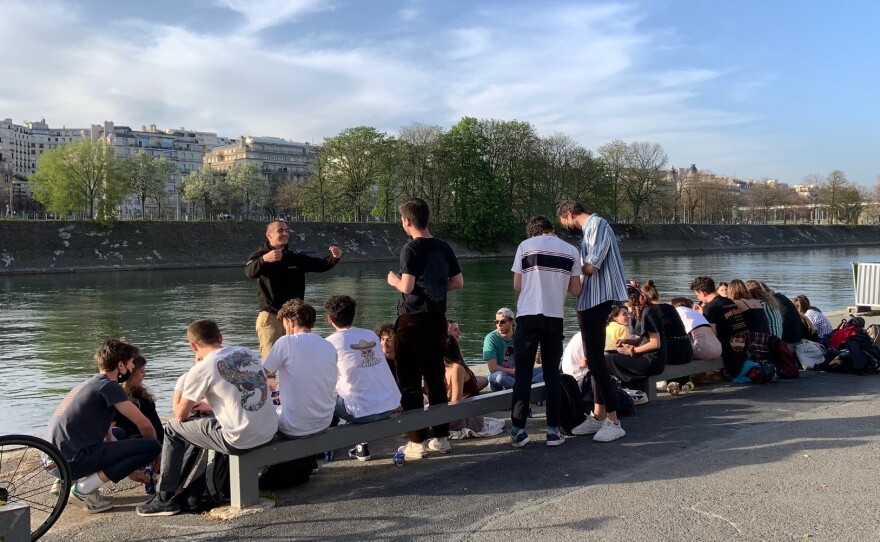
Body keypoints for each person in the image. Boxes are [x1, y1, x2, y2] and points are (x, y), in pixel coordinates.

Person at [136, 320, 278, 516]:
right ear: (221, 338)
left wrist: (184, 393)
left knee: (172, 428)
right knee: (204, 423)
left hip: (240, 439)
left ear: (193, 346)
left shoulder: (201, 369)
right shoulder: (246, 352)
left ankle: (165, 497)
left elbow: (180, 415)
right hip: (269, 430)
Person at [387, 198, 463, 459]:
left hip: (412, 321)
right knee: (435, 379)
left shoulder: (411, 249)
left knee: (409, 382)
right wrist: (437, 290)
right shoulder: (444, 247)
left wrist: (393, 280)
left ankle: (416, 441)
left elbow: (407, 287)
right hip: (437, 320)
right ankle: (441, 437)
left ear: (407, 221)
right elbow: (458, 282)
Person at [47, 340, 161, 513]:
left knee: (120, 433)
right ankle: (83, 490)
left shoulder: (90, 383)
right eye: (131, 363)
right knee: (151, 445)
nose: (131, 368)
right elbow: (144, 424)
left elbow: (108, 433)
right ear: (121, 365)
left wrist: (128, 470)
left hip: (53, 459)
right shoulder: (110, 387)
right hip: (69, 463)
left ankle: (64, 482)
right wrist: (155, 454)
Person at [507, 215, 581, 448]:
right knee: (551, 374)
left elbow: (517, 285)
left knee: (524, 374)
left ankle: (518, 430)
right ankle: (552, 430)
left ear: (533, 232)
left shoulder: (525, 247)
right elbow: (576, 289)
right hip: (554, 317)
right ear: (552, 229)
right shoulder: (571, 251)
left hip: (528, 315)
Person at [557, 200, 627, 442]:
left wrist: (566, 267)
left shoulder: (596, 224)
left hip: (596, 299)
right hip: (591, 299)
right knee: (594, 361)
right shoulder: (591, 229)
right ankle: (599, 417)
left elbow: (591, 266)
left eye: (564, 223)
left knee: (596, 362)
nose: (566, 227)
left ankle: (613, 421)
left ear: (569, 214)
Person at [245, 219, 343, 358]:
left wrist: (335, 257)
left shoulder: (295, 257)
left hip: (295, 317)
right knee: (269, 361)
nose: (285, 233)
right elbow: (249, 272)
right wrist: (265, 259)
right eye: (280, 231)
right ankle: (270, 380)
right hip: (271, 316)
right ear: (269, 235)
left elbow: (321, 265)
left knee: (296, 359)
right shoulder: (260, 256)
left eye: (286, 230)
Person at [325, 295, 401, 461]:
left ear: (329, 319)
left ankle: (323, 447)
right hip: (389, 405)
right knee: (356, 388)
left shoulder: (329, 342)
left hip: (362, 412)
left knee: (325, 394)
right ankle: (360, 445)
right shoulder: (371, 335)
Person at [262, 299, 338, 439]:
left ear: (290, 322)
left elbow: (261, 374)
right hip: (324, 421)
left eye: (284, 324)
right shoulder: (328, 345)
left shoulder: (286, 342)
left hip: (294, 426)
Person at [604, 284, 671, 388]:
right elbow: (644, 338)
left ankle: (631, 386)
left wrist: (631, 351)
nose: (628, 309)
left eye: (629, 305)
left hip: (652, 360)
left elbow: (655, 343)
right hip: (645, 356)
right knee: (607, 354)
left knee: (609, 360)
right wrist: (627, 341)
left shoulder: (648, 313)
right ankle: (625, 386)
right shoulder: (640, 313)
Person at [444, 337, 505, 439]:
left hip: (467, 414)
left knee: (432, 419)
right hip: (458, 411)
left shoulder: (456, 368)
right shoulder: (445, 367)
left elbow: (455, 402)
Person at [691, 276, 749, 378]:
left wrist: (701, 317)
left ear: (702, 292)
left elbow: (713, 336)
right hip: (742, 344)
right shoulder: (729, 301)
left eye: (697, 295)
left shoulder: (709, 308)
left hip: (729, 350)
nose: (698, 298)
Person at [484, 308, 544, 391]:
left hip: (519, 375)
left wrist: (538, 357)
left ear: (511, 322)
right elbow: (493, 368)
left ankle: (527, 387)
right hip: (500, 375)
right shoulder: (491, 338)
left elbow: (536, 362)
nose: (499, 325)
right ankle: (530, 387)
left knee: (549, 369)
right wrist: (513, 371)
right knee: (500, 377)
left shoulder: (521, 335)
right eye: (496, 322)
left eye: (502, 321)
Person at [112, 354, 164, 443]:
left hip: (155, 440)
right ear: (132, 374)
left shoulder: (141, 393)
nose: (145, 375)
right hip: (140, 442)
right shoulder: (119, 397)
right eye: (142, 371)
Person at [640, 280, 693, 365]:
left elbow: (644, 338)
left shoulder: (649, 311)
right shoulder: (671, 307)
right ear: (657, 295)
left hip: (671, 354)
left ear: (642, 298)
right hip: (686, 351)